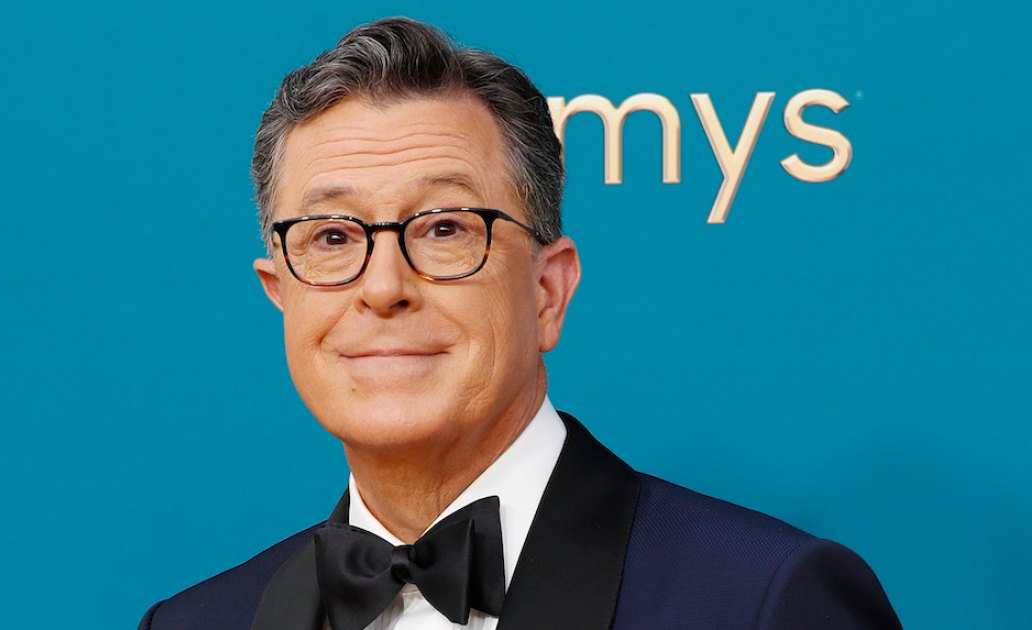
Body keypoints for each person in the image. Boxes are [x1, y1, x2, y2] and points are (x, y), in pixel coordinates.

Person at [138, 17, 901, 630]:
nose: (384, 287)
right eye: (333, 237)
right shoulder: (197, 622)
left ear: (547, 291)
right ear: (280, 292)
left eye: (444, 228)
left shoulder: (760, 601)